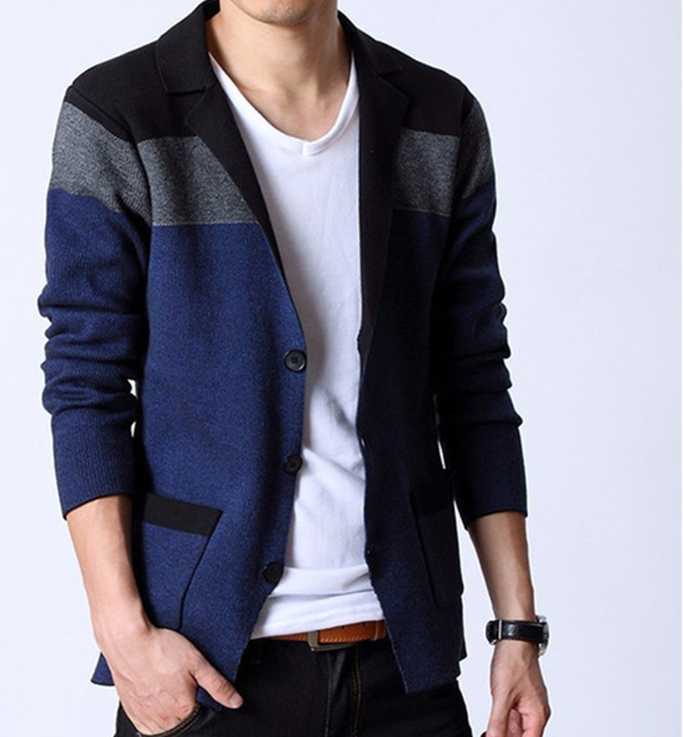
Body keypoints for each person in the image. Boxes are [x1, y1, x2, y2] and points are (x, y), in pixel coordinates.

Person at [38, 1, 551, 735]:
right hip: (205, 671)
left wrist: (517, 628)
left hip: (404, 669)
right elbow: (85, 381)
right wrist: (123, 633)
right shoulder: (121, 112)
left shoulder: (439, 118)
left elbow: (474, 383)